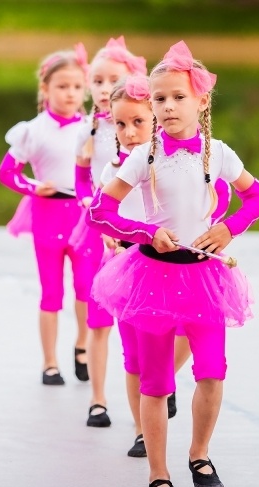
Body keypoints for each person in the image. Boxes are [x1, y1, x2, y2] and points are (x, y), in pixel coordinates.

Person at [87, 41, 259, 487]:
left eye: (178, 97)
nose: (167, 106)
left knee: (212, 371)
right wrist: (147, 233)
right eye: (159, 98)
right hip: (153, 278)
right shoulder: (143, 158)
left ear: (202, 102)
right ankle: (158, 475)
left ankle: (199, 455)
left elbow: (258, 197)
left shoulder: (218, 154)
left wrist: (229, 228)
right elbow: (100, 212)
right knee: (155, 382)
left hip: (205, 279)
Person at [0, 44, 93, 385]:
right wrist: (34, 187)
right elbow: (7, 172)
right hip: (48, 215)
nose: (70, 94)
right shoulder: (33, 130)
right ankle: (49, 362)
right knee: (51, 292)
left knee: (86, 288)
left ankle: (83, 346)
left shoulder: (92, 128)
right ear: (45, 88)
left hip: (84, 218)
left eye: (77, 87)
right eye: (62, 86)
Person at [72, 36, 146, 427]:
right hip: (98, 229)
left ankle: (146, 405)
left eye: (112, 81)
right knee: (98, 318)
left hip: (136, 232)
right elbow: (82, 176)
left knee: (140, 323)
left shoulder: (143, 130)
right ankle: (98, 399)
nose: (103, 89)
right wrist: (89, 201)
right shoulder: (89, 130)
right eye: (97, 81)